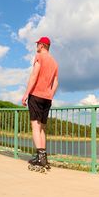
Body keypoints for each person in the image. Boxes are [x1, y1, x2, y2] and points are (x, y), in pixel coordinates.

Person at [22, 36, 59, 169]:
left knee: (35, 126)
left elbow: (34, 75)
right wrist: (50, 94)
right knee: (42, 127)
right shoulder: (55, 62)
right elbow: (56, 82)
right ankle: (44, 158)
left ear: (42, 45)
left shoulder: (39, 57)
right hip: (47, 98)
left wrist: (26, 94)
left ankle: (40, 157)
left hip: (36, 95)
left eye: (38, 44)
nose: (36, 46)